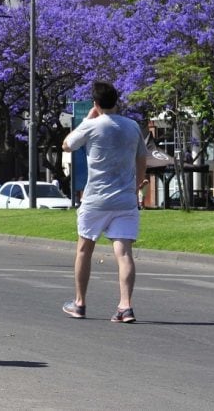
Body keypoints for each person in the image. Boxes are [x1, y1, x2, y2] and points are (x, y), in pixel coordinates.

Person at [61, 81, 148, 323]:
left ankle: (79, 303)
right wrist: (137, 184)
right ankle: (125, 306)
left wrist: (88, 120)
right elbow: (142, 158)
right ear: (117, 101)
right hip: (125, 199)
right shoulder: (132, 126)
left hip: (95, 199)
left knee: (84, 249)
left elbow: (67, 144)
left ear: (96, 104)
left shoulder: (92, 125)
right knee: (124, 253)